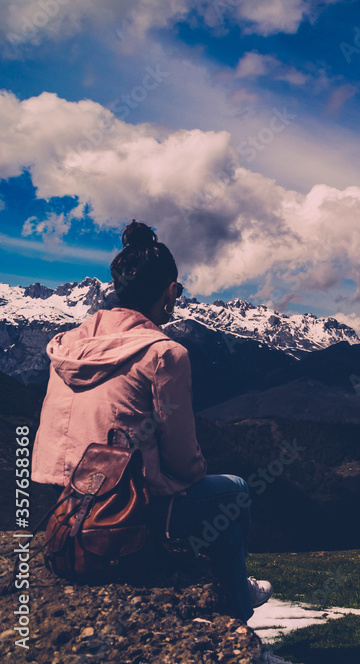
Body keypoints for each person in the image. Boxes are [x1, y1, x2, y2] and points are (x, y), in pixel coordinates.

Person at [32, 220, 272, 620]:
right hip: (124, 505)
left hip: (65, 499)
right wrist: (188, 475)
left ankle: (236, 597)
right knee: (236, 491)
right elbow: (183, 461)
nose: (175, 298)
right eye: (177, 290)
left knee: (224, 525)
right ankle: (236, 601)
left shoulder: (67, 345)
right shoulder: (164, 353)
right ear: (167, 293)